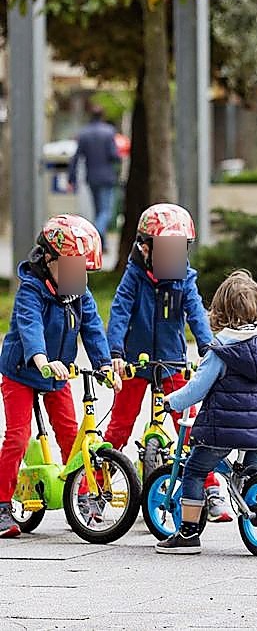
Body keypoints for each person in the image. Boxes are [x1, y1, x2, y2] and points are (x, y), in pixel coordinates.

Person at [104, 203, 232, 521]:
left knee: (190, 427)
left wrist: (207, 347)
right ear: (145, 248)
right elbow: (119, 313)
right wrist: (115, 354)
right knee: (119, 425)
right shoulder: (134, 277)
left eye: (179, 249)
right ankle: (91, 488)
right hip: (136, 363)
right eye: (166, 250)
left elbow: (196, 313)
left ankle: (210, 488)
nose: (174, 257)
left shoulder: (185, 279)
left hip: (172, 362)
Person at [0, 215, 122, 537]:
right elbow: (30, 327)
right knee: (16, 435)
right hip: (22, 371)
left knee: (72, 433)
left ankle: (80, 496)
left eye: (82, 267)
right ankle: (1, 504)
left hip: (58, 374)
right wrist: (40, 359)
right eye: (72, 266)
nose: (78, 274)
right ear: (50, 260)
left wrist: (105, 366)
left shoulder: (79, 293)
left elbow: (94, 329)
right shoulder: (31, 290)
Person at [155, 270, 257, 554]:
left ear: (221, 311)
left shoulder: (221, 350)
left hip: (223, 429)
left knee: (195, 471)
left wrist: (170, 401)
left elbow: (196, 389)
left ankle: (187, 534)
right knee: (250, 471)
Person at [67, 105, 121, 252]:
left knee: (98, 211)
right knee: (106, 212)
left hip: (91, 178)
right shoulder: (109, 132)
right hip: (107, 178)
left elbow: (76, 157)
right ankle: (94, 235)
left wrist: (71, 179)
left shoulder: (84, 134)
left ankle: (102, 245)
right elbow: (114, 155)